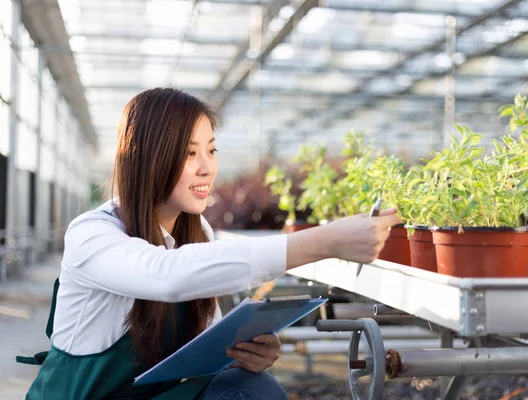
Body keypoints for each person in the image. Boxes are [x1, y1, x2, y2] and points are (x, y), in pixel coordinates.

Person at [21, 88, 401, 399]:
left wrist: (238, 355)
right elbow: (167, 276)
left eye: (211, 149)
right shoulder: (91, 234)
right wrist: (322, 241)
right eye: (189, 153)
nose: (207, 166)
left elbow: (204, 339)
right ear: (147, 159)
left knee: (252, 387)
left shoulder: (196, 228)